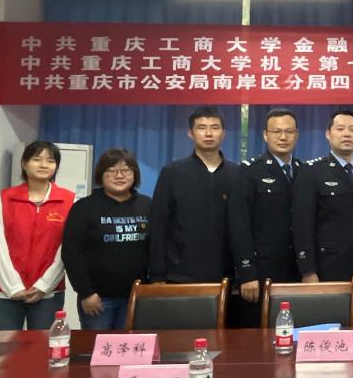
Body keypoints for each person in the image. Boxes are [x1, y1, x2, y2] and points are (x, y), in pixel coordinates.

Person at [292, 110, 353, 319]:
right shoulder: (311, 172)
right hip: (327, 270)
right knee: (329, 327)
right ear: (328, 134)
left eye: (352, 129)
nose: (347, 134)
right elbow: (302, 225)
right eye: (340, 129)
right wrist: (308, 270)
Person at [0, 140, 75, 330]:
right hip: (4, 292)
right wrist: (13, 287)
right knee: (6, 347)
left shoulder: (69, 201)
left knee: (43, 346)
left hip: (48, 294)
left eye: (50, 161)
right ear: (24, 163)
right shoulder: (4, 200)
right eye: (37, 159)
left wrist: (44, 285)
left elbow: (66, 249)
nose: (44, 165)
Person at [227, 108, 302, 327]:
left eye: (289, 131)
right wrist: (246, 273)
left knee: (294, 331)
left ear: (296, 135)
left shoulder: (303, 170)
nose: (283, 137)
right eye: (276, 131)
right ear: (265, 135)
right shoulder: (249, 172)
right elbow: (239, 225)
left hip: (296, 270)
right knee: (259, 334)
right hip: (261, 272)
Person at [61, 148, 150, 330]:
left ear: (134, 174)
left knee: (131, 347)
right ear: (101, 174)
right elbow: (71, 253)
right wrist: (85, 293)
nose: (119, 176)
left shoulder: (147, 205)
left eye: (125, 170)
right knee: (98, 347)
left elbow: (156, 248)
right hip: (98, 299)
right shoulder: (84, 208)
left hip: (137, 296)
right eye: (111, 170)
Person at [148, 107, 237, 283]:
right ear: (190, 133)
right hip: (180, 275)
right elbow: (159, 225)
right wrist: (158, 274)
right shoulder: (173, 172)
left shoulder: (236, 174)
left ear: (223, 133)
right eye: (201, 127)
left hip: (227, 276)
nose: (208, 133)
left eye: (215, 127)